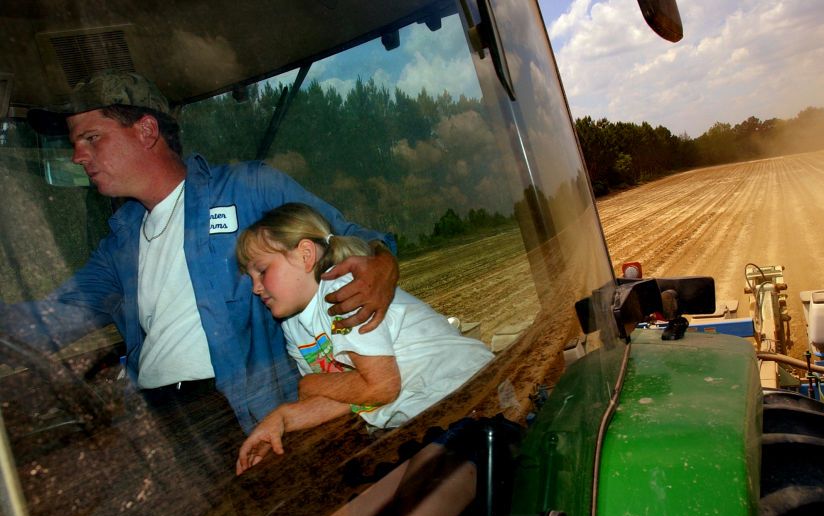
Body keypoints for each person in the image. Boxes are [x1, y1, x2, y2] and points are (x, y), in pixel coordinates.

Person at [6, 70, 398, 478]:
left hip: (230, 413)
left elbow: (357, 240)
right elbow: (50, 321)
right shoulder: (119, 242)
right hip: (154, 421)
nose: (77, 156)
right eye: (73, 143)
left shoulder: (249, 188)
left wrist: (383, 265)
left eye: (91, 138)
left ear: (145, 131)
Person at [233, 203, 494, 475]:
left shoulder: (342, 294)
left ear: (305, 255)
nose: (255, 288)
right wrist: (283, 419)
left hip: (466, 395)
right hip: (427, 416)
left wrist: (309, 383)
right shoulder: (292, 326)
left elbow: (381, 387)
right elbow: (349, 395)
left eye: (262, 271)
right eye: (251, 277)